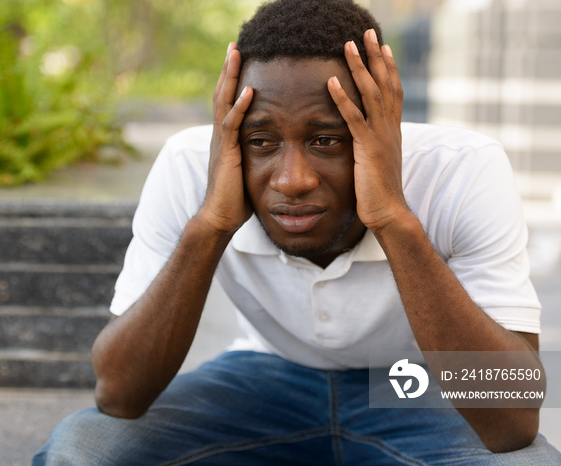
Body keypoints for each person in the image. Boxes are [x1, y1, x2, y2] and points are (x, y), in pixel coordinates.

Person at [33, 0, 561, 464]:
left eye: (327, 140)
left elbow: (512, 423)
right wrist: (211, 225)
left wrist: (394, 219)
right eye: (261, 141)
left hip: (411, 384)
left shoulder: (463, 169)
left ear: (381, 123)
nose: (292, 180)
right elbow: (119, 395)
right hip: (264, 377)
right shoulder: (193, 164)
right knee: (81, 448)